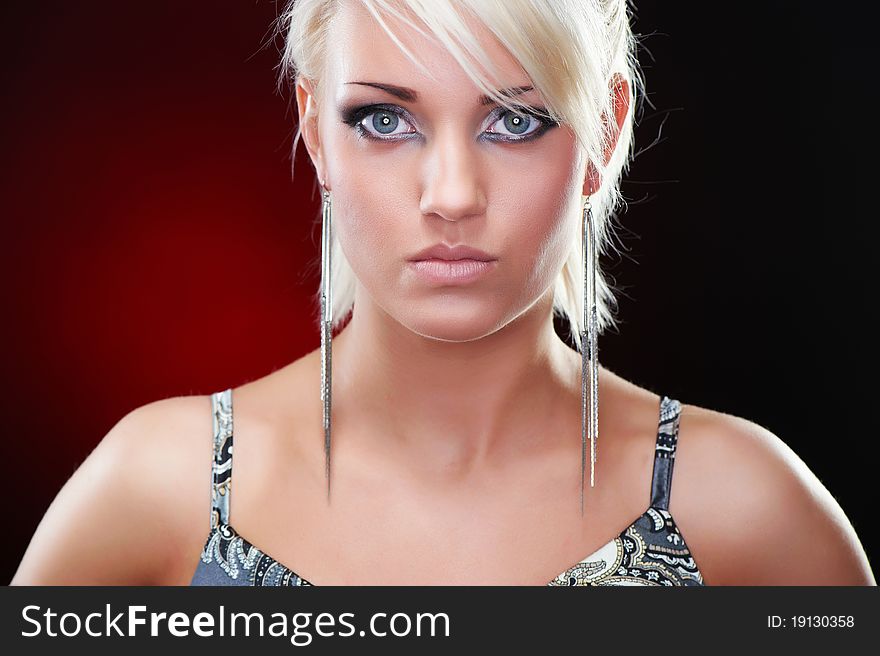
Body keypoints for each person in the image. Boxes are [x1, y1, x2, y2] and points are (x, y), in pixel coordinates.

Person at [11, 0, 875, 586]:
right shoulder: (162, 485)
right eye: (384, 120)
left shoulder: (740, 508)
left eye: (515, 119)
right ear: (316, 133)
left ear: (606, 133)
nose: (452, 194)